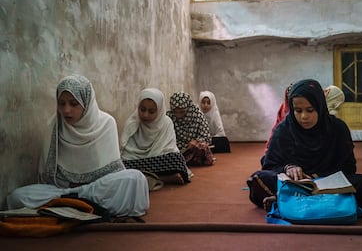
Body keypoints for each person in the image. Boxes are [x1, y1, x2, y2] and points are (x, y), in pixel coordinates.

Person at [6, 75, 149, 217]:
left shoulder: (106, 123)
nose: (66, 110)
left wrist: (87, 187)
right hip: (62, 191)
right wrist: (68, 187)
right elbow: (49, 177)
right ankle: (79, 204)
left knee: (135, 179)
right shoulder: (54, 126)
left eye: (73, 104)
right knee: (16, 197)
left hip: (96, 190)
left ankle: (69, 205)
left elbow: (113, 172)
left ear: (86, 102)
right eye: (62, 104)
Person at [247, 78, 362, 211]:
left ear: (320, 106)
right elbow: (270, 166)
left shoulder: (338, 129)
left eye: (310, 110)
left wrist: (318, 176)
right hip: (294, 183)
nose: (304, 116)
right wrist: (289, 168)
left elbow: (348, 168)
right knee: (259, 177)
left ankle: (287, 200)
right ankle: (319, 201)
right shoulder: (284, 130)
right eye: (298, 111)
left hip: (328, 182)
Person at [120, 88, 190, 189]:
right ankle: (163, 178)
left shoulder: (166, 123)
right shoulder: (132, 123)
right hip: (136, 161)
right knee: (122, 165)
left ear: (159, 111)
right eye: (142, 110)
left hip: (158, 160)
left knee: (177, 160)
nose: (145, 115)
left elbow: (169, 148)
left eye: (151, 111)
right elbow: (125, 152)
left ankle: (147, 177)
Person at [166, 91, 215, 166]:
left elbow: (206, 136)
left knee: (202, 148)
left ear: (188, 108)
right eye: (176, 112)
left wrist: (196, 141)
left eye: (182, 112)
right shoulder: (169, 117)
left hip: (193, 147)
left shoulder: (198, 116)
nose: (178, 115)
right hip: (176, 147)